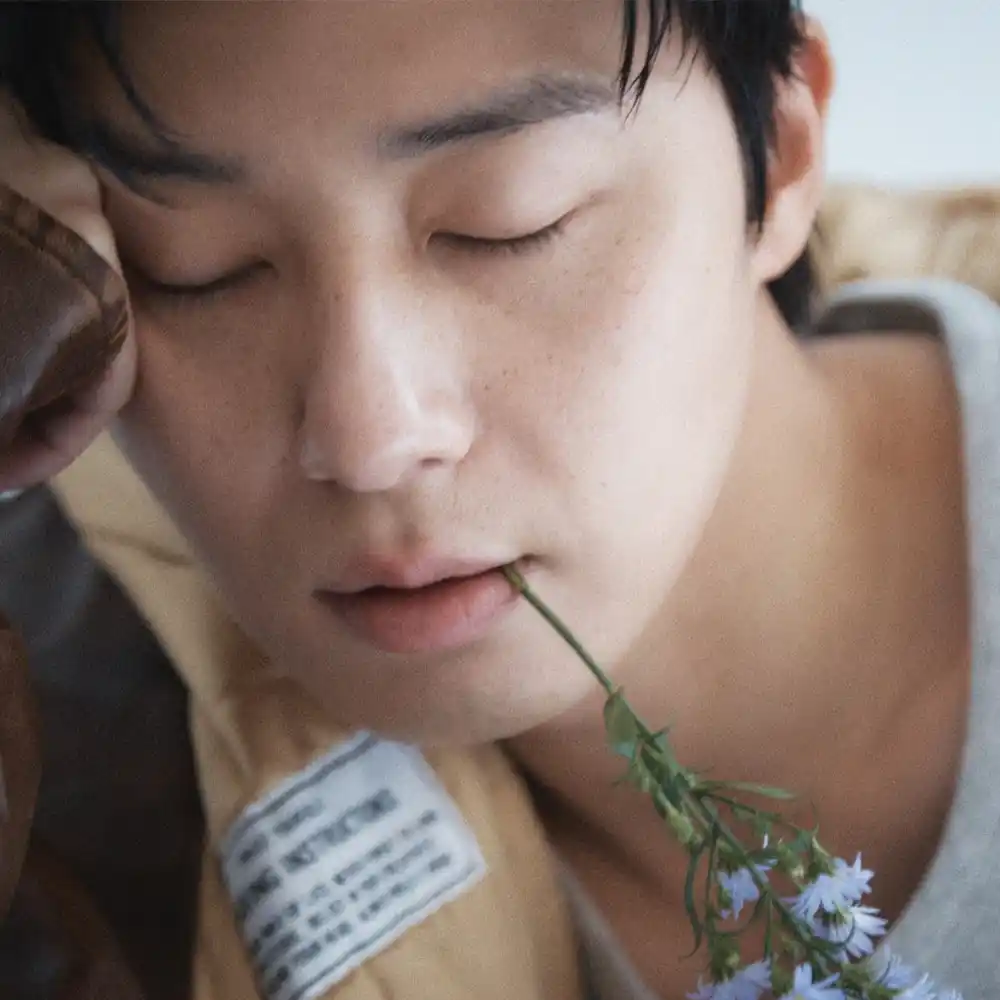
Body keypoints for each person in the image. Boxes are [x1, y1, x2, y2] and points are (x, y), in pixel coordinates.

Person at [0, 2, 996, 999]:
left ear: (777, 158)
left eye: (508, 221)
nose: (369, 438)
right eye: (195, 266)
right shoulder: (94, 766)